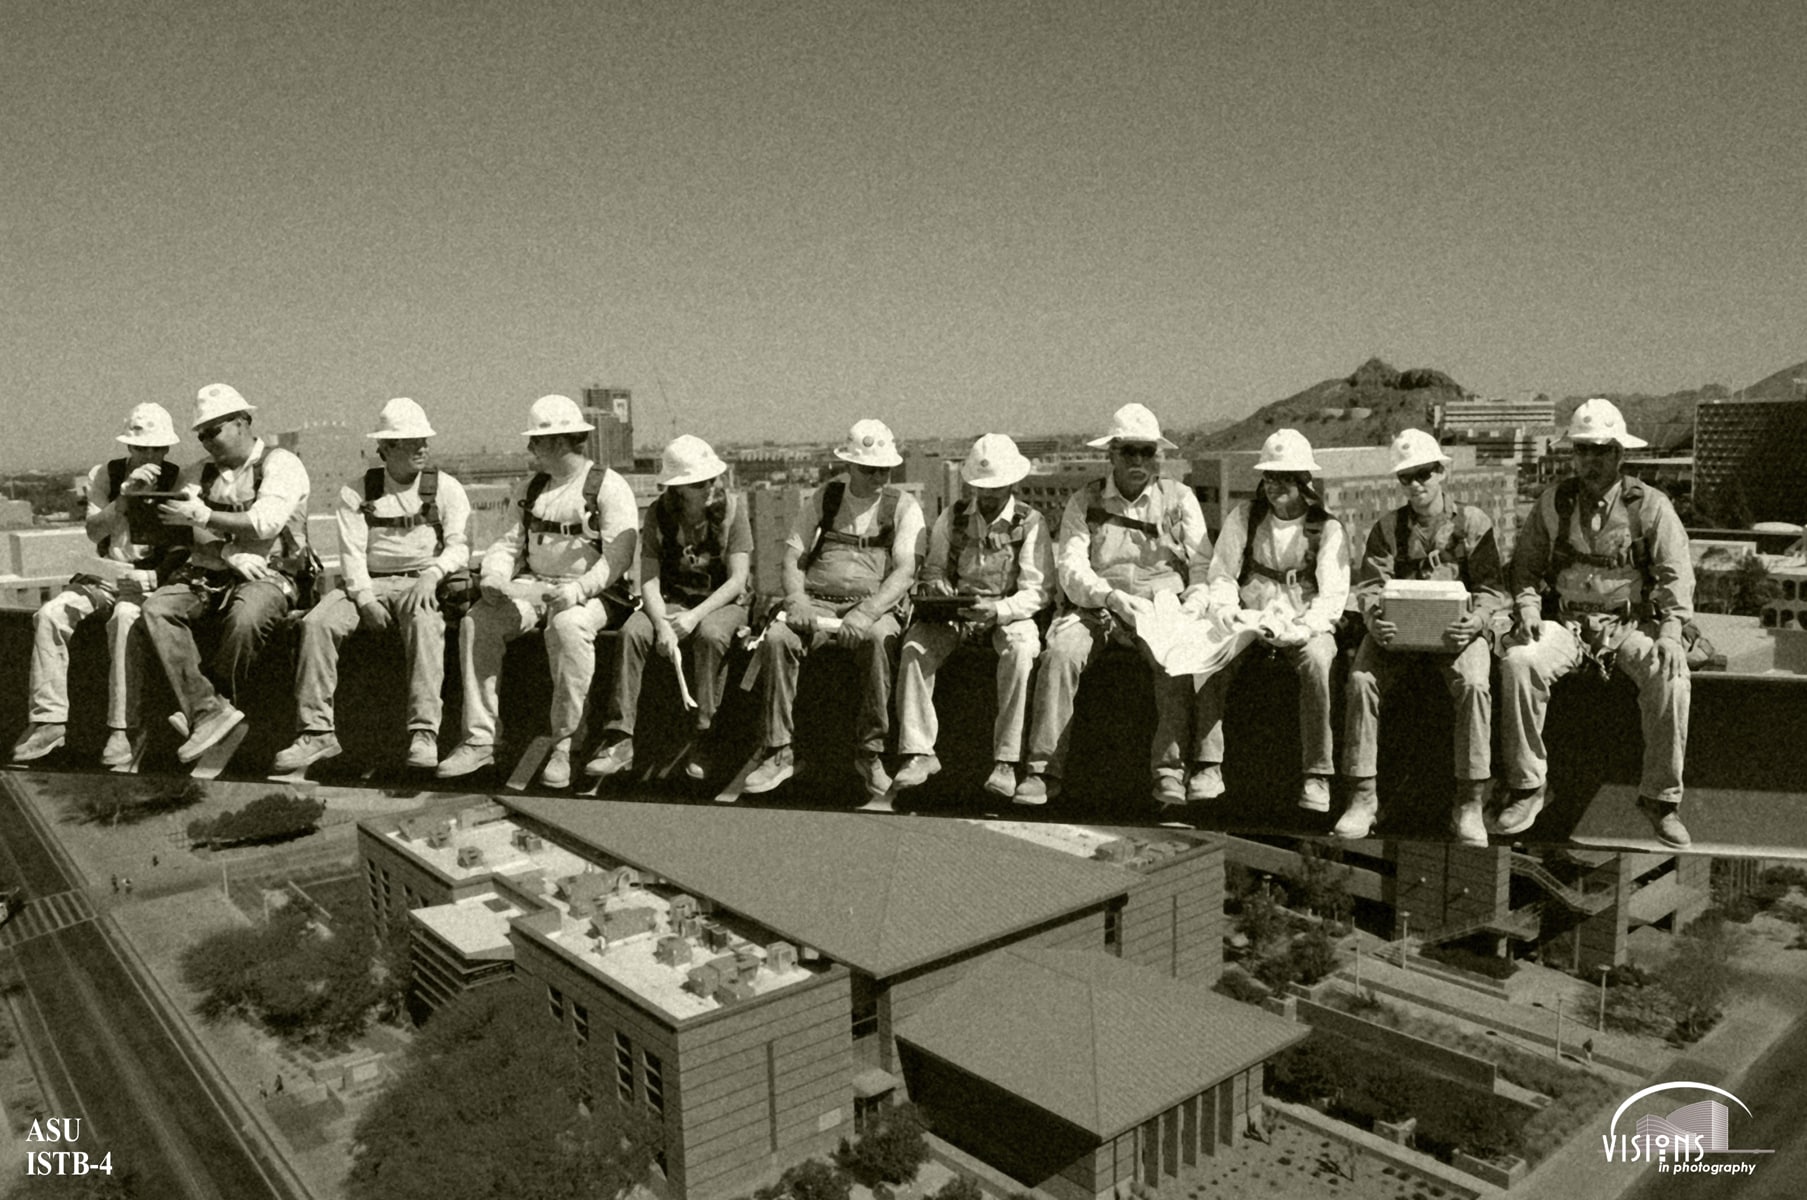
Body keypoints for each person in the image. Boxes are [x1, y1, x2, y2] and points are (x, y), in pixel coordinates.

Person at [1495, 399, 1695, 848]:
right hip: (1566, 622)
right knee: (1519, 662)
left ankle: (1660, 799)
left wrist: (1670, 631)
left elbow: (1676, 575)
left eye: (1601, 450)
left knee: (1672, 676)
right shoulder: (1554, 503)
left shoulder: (1650, 507)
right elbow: (1524, 569)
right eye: (1582, 450)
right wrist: (1527, 608)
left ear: (1619, 455)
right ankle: (1528, 787)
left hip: (1630, 625)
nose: (1591, 460)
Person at [1014, 403, 1212, 808]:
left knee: (1174, 659)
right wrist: (1108, 596)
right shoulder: (1083, 501)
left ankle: (1169, 772)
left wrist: (1192, 604)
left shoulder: (1180, 499)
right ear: (1112, 454)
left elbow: (1203, 564)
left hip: (1160, 605)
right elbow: (1071, 567)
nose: (1139, 460)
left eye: (1147, 451)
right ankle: (1042, 769)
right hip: (1099, 605)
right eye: (1129, 451)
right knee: (1060, 656)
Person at [436, 395, 637, 788]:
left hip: (593, 593)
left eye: (537, 442)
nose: (530, 450)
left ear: (560, 442)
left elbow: (617, 558)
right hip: (534, 586)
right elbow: (508, 544)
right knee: (478, 622)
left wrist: (577, 592)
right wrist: (494, 576)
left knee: (567, 627)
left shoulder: (608, 487)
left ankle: (565, 743)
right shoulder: (530, 489)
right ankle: (480, 739)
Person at [272, 398, 471, 775]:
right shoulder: (357, 491)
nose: (422, 448)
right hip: (370, 583)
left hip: (421, 580)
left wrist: (432, 575)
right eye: (411, 442)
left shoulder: (446, 488)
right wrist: (364, 600)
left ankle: (423, 731)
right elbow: (351, 554)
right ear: (386, 448)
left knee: (426, 626)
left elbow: (460, 546)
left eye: (423, 440)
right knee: (317, 624)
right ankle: (316, 732)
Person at [1337, 429, 1508, 845]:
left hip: (1457, 633)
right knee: (1361, 681)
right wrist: (1375, 619)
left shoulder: (1473, 523)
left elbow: (1491, 589)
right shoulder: (1388, 529)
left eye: (1424, 474)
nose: (1416, 485)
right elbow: (1371, 587)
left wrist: (1479, 621)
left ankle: (1469, 802)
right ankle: (1362, 797)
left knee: (1473, 684)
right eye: (1406, 477)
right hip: (1398, 635)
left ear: (1440, 473)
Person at [742, 419, 925, 801]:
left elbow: (905, 571)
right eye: (868, 469)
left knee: (877, 641)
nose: (877, 476)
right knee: (778, 639)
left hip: (871, 605)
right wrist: (797, 600)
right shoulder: (825, 499)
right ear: (850, 467)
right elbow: (793, 557)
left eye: (883, 469)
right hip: (818, 600)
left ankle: (870, 752)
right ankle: (778, 750)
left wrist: (867, 613)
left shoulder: (903, 507)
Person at [138, 384, 311, 764]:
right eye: (201, 435)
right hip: (211, 569)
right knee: (157, 609)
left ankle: (224, 708)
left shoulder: (280, 465)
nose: (206, 441)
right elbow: (185, 525)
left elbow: (265, 523)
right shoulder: (197, 473)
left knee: (245, 618)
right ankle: (208, 712)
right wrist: (227, 551)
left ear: (243, 422)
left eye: (213, 430)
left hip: (271, 571)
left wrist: (205, 516)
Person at [11, 403, 184, 767]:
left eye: (157, 449)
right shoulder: (106, 474)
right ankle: (49, 720)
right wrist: (124, 499)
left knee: (124, 621)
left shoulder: (180, 479)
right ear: (130, 448)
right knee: (50, 615)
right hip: (106, 574)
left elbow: (185, 541)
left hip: (148, 578)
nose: (150, 455)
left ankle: (122, 727)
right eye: (142, 448)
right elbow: (93, 531)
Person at [1195, 429, 1350, 812]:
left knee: (1318, 662)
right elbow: (1222, 574)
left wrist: (1304, 628)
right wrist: (1226, 608)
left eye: (1284, 478)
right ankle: (1208, 764)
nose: (1274, 486)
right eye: (1269, 477)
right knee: (1208, 654)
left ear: (1303, 481)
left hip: (1303, 622)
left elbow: (1332, 596)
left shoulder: (1327, 529)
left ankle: (1317, 773)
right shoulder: (1245, 517)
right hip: (1250, 617)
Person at [893, 434, 1054, 799]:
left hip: (1007, 612)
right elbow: (933, 569)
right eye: (982, 487)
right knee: (915, 649)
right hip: (958, 613)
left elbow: (1038, 591)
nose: (989, 495)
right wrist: (937, 588)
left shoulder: (1030, 522)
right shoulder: (953, 518)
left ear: (1012, 482)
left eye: (996, 487)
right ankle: (918, 752)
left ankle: (1007, 761)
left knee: (1021, 653)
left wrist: (998, 610)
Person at [588, 435, 751, 783]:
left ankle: (704, 733)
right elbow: (648, 579)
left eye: (710, 479)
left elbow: (737, 580)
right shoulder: (660, 516)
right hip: (673, 598)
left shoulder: (733, 510)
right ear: (680, 488)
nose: (708, 487)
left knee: (710, 636)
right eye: (698, 482)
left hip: (720, 601)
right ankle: (620, 737)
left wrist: (693, 617)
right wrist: (662, 623)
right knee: (633, 632)